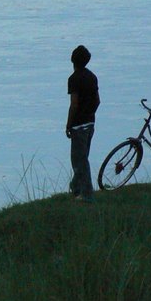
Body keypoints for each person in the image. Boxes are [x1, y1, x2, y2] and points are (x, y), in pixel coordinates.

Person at [66, 45, 100, 202]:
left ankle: (87, 194)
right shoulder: (92, 77)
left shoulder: (73, 79)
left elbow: (74, 104)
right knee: (83, 157)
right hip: (90, 123)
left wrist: (69, 124)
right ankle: (76, 187)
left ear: (73, 60)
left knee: (79, 161)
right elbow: (97, 101)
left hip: (78, 125)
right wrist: (90, 114)